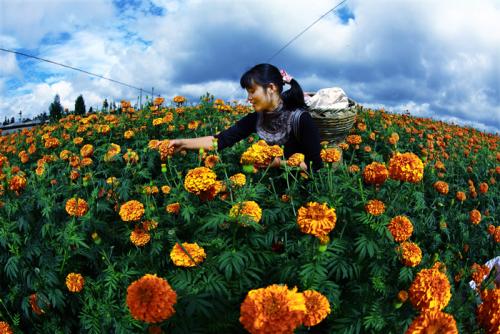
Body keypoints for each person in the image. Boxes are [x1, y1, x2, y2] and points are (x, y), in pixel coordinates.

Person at [167, 63, 323, 172]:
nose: (248, 98)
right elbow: (220, 140)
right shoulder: (256, 118)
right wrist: (182, 143)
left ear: (270, 88)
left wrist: (280, 164)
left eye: (252, 91)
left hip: (306, 193)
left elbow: (316, 166)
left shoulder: (301, 119)